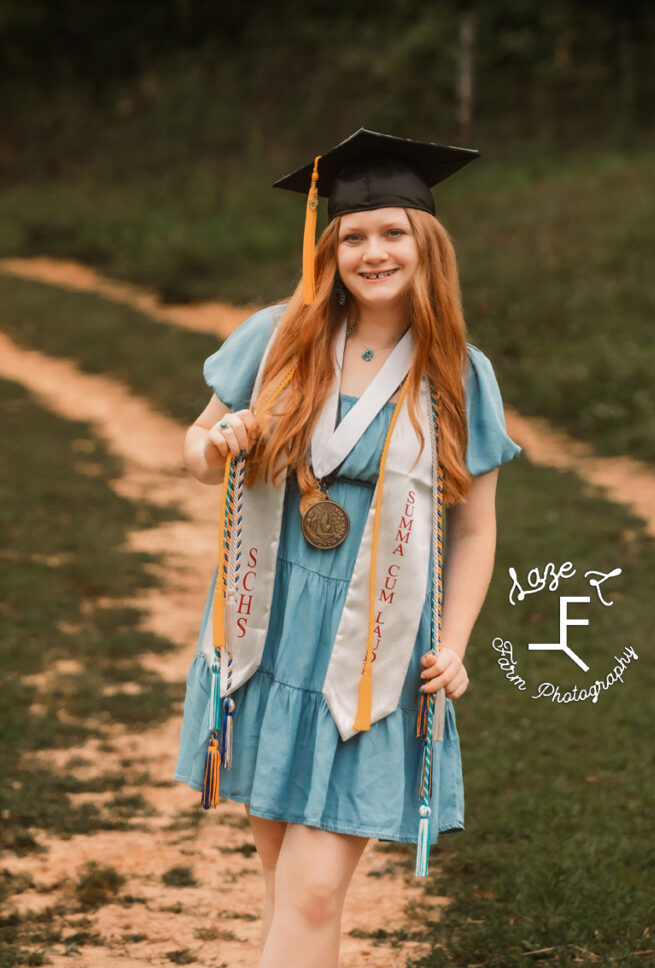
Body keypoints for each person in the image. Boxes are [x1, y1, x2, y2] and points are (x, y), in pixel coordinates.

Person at [174, 128, 522, 967]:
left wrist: (455, 644)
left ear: (426, 244)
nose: (373, 252)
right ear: (328, 247)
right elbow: (192, 451)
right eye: (354, 236)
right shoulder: (278, 335)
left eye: (392, 232)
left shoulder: (457, 374)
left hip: (377, 648)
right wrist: (218, 443)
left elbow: (473, 525)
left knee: (313, 889)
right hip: (268, 631)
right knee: (290, 895)